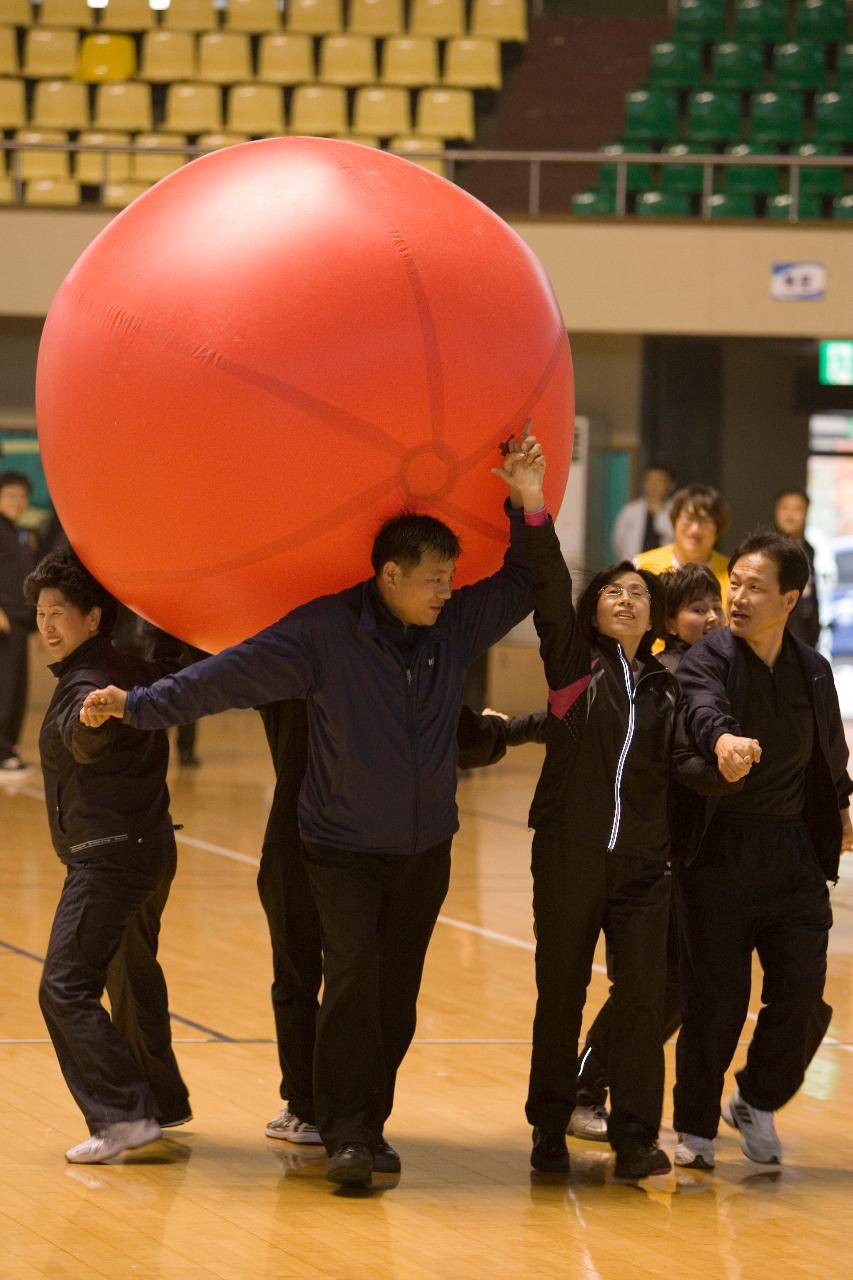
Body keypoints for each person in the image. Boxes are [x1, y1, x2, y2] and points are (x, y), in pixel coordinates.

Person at [79, 442, 537, 1188]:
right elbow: (226, 675)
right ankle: (346, 1133)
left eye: (450, 580)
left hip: (425, 851)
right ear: (388, 575)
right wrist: (138, 706)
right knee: (352, 982)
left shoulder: (449, 627)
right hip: (341, 849)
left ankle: (368, 1122)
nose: (445, 592)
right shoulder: (325, 632)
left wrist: (528, 503)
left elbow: (522, 578)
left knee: (395, 999)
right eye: (432, 580)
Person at [492, 448, 733, 1182]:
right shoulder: (572, 669)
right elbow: (543, 578)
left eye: (637, 594)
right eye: (612, 592)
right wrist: (531, 501)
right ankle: (547, 1128)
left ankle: (634, 1136)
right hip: (568, 855)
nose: (625, 600)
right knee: (559, 992)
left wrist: (724, 769)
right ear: (594, 608)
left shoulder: (663, 688)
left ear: (652, 615)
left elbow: (683, 770)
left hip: (641, 865)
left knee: (637, 1003)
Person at [259, 698, 546, 1147]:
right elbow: (459, 737)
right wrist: (505, 730)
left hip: (313, 840)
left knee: (310, 978)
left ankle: (317, 1109)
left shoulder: (287, 658)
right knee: (361, 984)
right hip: (356, 845)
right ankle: (338, 1111)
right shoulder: (381, 661)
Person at [672, 532, 853, 1171]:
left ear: (791, 598)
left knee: (803, 992)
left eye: (755, 587)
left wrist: (840, 807)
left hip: (793, 855)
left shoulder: (813, 668)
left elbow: (830, 749)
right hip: (720, 852)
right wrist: (722, 743)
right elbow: (702, 708)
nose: (738, 598)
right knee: (714, 1000)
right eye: (736, 583)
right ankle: (694, 1128)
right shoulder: (709, 657)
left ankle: (756, 1098)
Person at [24, 549, 190, 1164]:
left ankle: (123, 1117)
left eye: (59, 612)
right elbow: (169, 661)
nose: (46, 624)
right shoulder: (131, 666)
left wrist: (93, 722)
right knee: (130, 972)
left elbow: (83, 736)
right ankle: (161, 1102)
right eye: (40, 613)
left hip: (109, 859)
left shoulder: (91, 683)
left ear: (93, 618)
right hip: (149, 849)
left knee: (64, 987)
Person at [570, 563, 725, 1141]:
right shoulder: (671, 675)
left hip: (706, 856)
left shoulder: (722, 668)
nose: (709, 616)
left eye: (715, 604)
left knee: (675, 985)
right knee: (658, 983)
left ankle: (599, 1084)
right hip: (665, 853)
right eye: (695, 607)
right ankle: (586, 1083)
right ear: (669, 620)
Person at [635, 483, 731, 600]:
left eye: (705, 521)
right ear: (675, 520)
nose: (695, 529)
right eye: (689, 518)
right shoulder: (642, 566)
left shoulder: (732, 575)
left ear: (718, 528)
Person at [0, 471, 36, 773]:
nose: (18, 501)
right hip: (3, 621)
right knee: (4, 688)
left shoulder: (20, 534)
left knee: (16, 690)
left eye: (22, 496)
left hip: (19, 623)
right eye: (11, 495)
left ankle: (8, 749)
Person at [774, 488, 821, 647]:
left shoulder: (809, 549)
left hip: (805, 633)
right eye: (784, 508)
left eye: (797, 509)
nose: (790, 515)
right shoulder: (769, 550)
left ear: (806, 513)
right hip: (777, 632)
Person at [611, 463, 675, 561]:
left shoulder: (675, 510)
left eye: (659, 481)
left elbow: (675, 538)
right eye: (649, 480)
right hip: (635, 565)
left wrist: (659, 513)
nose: (653, 485)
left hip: (665, 567)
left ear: (670, 485)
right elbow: (618, 541)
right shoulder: (630, 510)